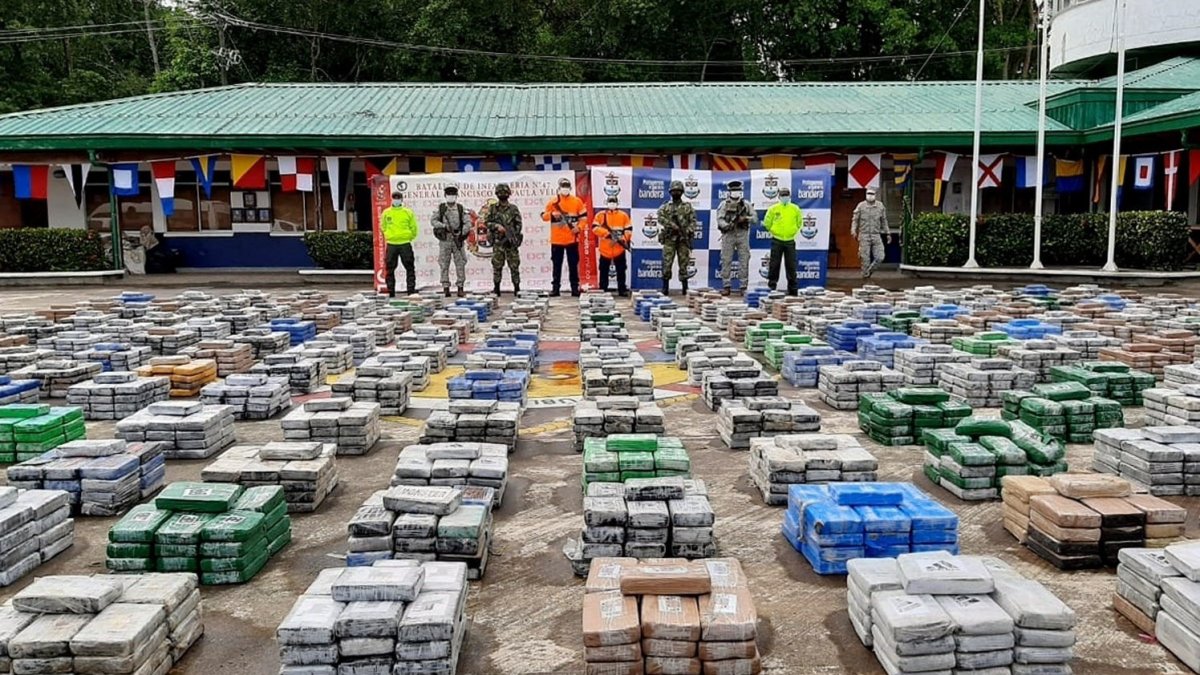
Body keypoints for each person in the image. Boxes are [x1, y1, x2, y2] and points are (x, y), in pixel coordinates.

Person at [542, 177, 586, 297]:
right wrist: (552, 214)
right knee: (557, 265)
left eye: (567, 187)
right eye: (563, 187)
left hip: (572, 239)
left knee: (573, 265)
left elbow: (584, 218)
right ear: (559, 188)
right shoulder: (553, 202)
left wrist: (580, 228)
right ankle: (555, 289)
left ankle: (574, 288)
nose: (565, 189)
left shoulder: (577, 201)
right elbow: (543, 216)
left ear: (570, 188)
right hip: (557, 240)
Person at [656, 180, 698, 296]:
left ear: (682, 192)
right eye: (674, 191)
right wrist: (671, 225)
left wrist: (687, 231)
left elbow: (694, 221)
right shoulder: (666, 206)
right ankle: (665, 288)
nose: (676, 193)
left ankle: (685, 287)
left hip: (683, 240)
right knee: (667, 263)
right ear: (670, 192)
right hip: (669, 239)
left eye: (678, 191)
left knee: (684, 263)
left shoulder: (687, 207)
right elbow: (659, 217)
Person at [715, 179, 756, 296]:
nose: (736, 192)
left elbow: (755, 218)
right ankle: (726, 286)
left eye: (738, 190)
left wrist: (745, 218)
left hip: (742, 234)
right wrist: (727, 225)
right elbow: (719, 219)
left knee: (744, 260)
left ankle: (743, 287)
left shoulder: (746, 204)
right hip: (729, 235)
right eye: (733, 190)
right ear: (729, 192)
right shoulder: (723, 204)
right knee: (726, 260)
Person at [763, 186, 801, 296]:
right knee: (774, 265)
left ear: (789, 196)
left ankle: (793, 290)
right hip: (777, 240)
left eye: (786, 195)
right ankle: (772, 287)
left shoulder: (795, 208)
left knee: (791, 266)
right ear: (779, 196)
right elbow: (767, 223)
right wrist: (774, 231)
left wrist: (792, 232)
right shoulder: (773, 209)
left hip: (790, 241)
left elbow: (799, 223)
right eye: (783, 195)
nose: (785, 197)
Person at [432, 185, 469, 297]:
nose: (451, 197)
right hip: (445, 240)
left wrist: (462, 234)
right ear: (445, 196)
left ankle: (460, 287)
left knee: (460, 264)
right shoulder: (441, 208)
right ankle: (445, 287)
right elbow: (433, 221)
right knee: (444, 264)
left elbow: (468, 223)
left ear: (456, 196)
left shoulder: (460, 208)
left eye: (453, 195)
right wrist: (443, 226)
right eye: (449, 195)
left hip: (458, 240)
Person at [592, 195, 632, 297]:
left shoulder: (623, 215)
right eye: (610, 202)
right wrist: (607, 234)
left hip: (619, 248)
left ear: (617, 203)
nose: (612, 204)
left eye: (614, 202)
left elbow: (628, 230)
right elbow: (595, 228)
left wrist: (623, 239)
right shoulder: (600, 215)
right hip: (605, 249)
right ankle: (603, 288)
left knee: (621, 270)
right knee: (603, 270)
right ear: (607, 203)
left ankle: (622, 289)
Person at [487, 183, 523, 295]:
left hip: (511, 242)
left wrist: (512, 233)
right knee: (497, 265)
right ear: (497, 194)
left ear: (509, 194)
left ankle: (517, 288)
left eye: (505, 192)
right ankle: (496, 288)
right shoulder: (493, 208)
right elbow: (487, 222)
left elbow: (519, 224)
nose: (503, 194)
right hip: (498, 242)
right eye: (500, 192)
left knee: (514, 266)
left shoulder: (513, 208)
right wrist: (497, 226)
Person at [380, 190, 418, 297]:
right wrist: (388, 235)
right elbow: (383, 226)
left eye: (398, 198)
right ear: (392, 199)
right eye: (394, 198)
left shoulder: (408, 212)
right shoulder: (386, 212)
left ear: (402, 199)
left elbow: (414, 227)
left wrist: (409, 236)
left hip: (405, 243)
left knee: (409, 267)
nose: (396, 200)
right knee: (390, 268)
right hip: (392, 244)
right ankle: (390, 291)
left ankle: (410, 290)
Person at [852, 187, 890, 278]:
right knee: (865, 259)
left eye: (872, 194)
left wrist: (888, 233)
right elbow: (855, 220)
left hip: (876, 235)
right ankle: (865, 277)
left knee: (880, 257)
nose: (870, 196)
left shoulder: (880, 206)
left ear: (875, 195)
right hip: (864, 235)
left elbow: (884, 221)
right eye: (868, 193)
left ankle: (869, 271)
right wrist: (853, 230)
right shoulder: (861, 206)